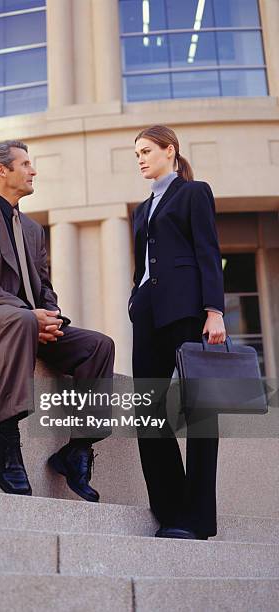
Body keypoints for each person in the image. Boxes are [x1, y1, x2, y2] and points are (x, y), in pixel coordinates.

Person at [0, 140, 114, 502]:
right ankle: (7, 440)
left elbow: (45, 285)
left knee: (99, 345)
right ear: (1, 171)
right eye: (25, 164)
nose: (33, 170)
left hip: (26, 320)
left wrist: (50, 316)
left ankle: (77, 449)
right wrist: (27, 313)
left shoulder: (34, 230)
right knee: (21, 320)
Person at [129, 125, 226, 540]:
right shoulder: (140, 208)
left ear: (170, 151)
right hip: (148, 313)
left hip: (189, 311)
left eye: (147, 150)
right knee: (146, 407)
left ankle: (198, 518)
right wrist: (134, 300)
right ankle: (171, 511)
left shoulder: (193, 192)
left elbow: (208, 250)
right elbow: (143, 263)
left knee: (200, 412)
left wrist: (215, 310)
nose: (141, 158)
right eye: (137, 153)